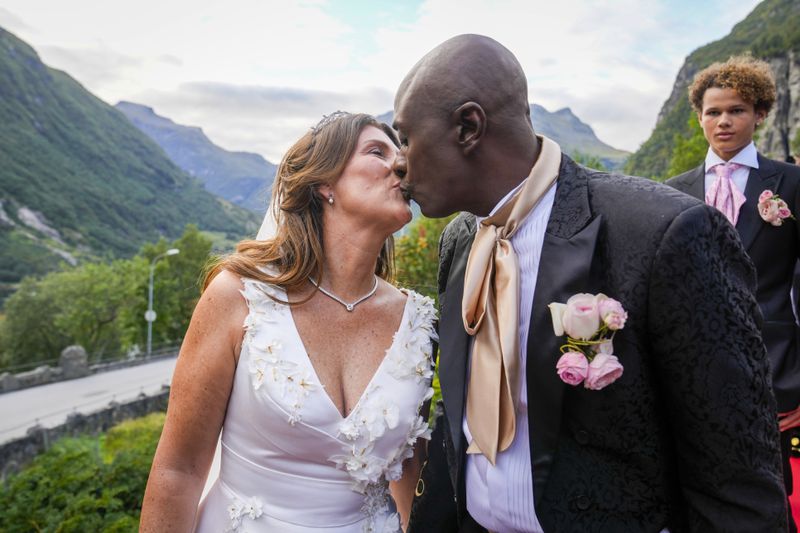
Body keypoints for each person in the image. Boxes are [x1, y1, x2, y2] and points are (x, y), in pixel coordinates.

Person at [392, 35, 787, 532]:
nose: (399, 160)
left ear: (469, 127)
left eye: (406, 137)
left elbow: (736, 475)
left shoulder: (663, 232)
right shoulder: (460, 241)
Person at [140, 112, 437, 532]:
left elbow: (410, 472)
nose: (401, 164)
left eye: (400, 153)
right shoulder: (238, 297)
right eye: (377, 151)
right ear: (324, 184)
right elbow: (179, 470)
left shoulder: (418, 321)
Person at [666, 56, 800, 528]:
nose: (724, 121)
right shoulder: (671, 192)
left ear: (760, 114)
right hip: (691, 373)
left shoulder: (793, 185)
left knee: (773, 495)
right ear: (699, 117)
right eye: (713, 111)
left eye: (737, 110)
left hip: (776, 373)